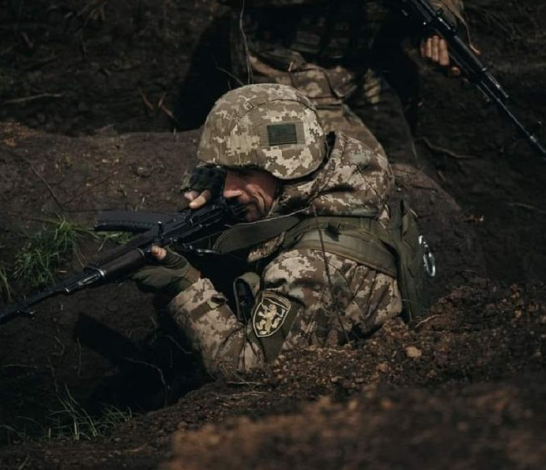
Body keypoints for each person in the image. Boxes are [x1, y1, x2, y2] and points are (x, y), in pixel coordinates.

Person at [132, 84, 429, 377]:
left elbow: (248, 371)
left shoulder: (310, 267)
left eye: (244, 172)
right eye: (226, 172)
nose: (230, 189)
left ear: (288, 168)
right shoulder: (347, 180)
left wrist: (186, 287)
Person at [209, 0, 467, 163]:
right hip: (280, 62)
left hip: (359, 69)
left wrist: (438, 23)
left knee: (406, 172)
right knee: (361, 176)